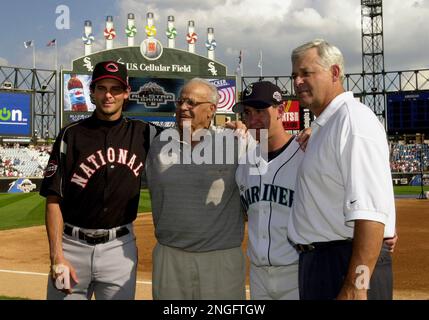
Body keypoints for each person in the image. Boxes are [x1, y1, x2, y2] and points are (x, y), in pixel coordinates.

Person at [287, 39, 396, 300]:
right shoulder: (329, 124)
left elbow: (370, 214)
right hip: (323, 262)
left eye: (306, 73)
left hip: (344, 265)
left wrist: (357, 285)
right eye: (294, 75)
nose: (298, 81)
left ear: (335, 73)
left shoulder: (353, 119)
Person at [40, 61, 158, 300]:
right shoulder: (70, 134)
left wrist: (229, 128)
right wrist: (57, 257)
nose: (108, 95)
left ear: (127, 93)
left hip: (119, 250)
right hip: (72, 247)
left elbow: (190, 136)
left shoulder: (145, 132)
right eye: (101, 88)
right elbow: (53, 199)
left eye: (115, 89)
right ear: (92, 91)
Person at [145, 78, 251, 300]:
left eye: (191, 103)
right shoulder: (157, 143)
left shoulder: (235, 143)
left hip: (220, 260)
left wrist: (310, 133)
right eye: (180, 101)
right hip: (169, 257)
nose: (183, 107)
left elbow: (277, 149)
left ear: (211, 109)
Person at [233, 81, 304, 300]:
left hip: (297, 272)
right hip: (257, 275)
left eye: (260, 111)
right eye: (247, 112)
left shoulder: (306, 155)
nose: (253, 119)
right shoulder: (244, 165)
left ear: (281, 110)